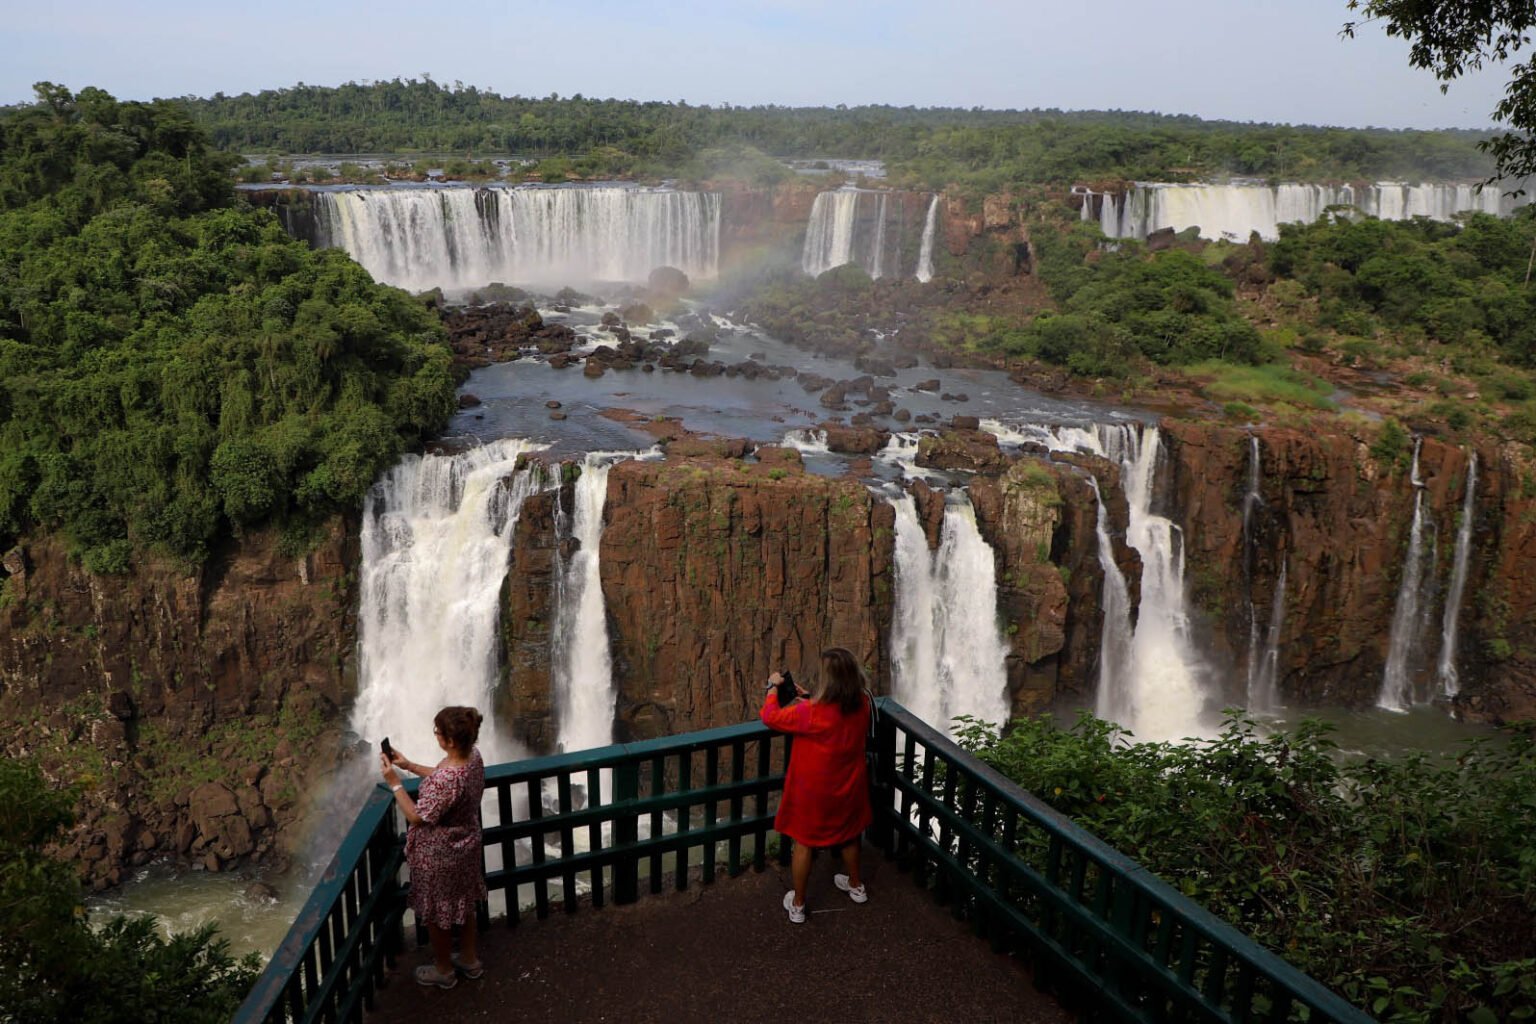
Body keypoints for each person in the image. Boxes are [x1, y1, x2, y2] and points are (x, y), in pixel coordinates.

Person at [760, 646, 873, 924]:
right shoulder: (862, 703)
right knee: (850, 833)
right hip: (849, 785)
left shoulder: (811, 713)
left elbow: (770, 717)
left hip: (815, 792)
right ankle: (856, 886)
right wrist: (809, 697)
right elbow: (837, 714)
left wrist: (773, 688)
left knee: (804, 843)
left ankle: (798, 904)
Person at [380, 706, 488, 988]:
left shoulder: (447, 780)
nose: (435, 735)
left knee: (437, 914)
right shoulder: (473, 758)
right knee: (464, 902)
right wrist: (409, 766)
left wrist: (394, 783)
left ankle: (444, 970)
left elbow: (417, 816)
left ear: (450, 741)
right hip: (466, 845)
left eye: (438, 732)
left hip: (440, 855)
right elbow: (444, 778)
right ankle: (469, 959)